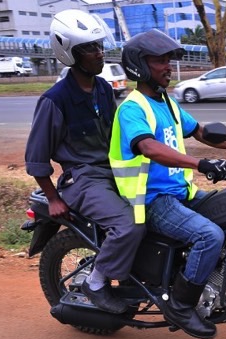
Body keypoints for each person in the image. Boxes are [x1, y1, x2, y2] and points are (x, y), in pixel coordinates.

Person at [110, 29, 226, 339]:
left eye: (169, 60)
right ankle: (180, 304)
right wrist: (202, 164)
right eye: (160, 60)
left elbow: (200, 131)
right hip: (153, 200)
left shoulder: (166, 101)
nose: (168, 66)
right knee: (209, 235)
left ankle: (201, 280)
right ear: (140, 65)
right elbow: (149, 148)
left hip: (180, 194)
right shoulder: (132, 108)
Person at [24, 9, 145, 314]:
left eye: (99, 46)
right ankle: (96, 283)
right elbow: (36, 157)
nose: (99, 53)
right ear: (70, 53)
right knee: (127, 224)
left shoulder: (104, 89)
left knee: (157, 209)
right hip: (83, 179)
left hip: (114, 172)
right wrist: (52, 198)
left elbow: (119, 132)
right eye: (90, 48)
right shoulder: (55, 100)